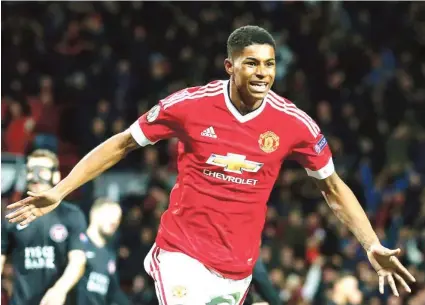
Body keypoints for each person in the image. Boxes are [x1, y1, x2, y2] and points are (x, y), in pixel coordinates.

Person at [6, 25, 416, 304]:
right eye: (252, 63)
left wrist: (371, 244)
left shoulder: (294, 124)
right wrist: (61, 191)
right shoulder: (188, 107)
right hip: (182, 252)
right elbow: (121, 145)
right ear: (230, 65)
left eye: (269, 64)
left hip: (238, 269)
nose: (262, 73)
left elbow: (333, 187)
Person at [1, 149, 87, 305]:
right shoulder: (13, 216)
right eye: (30, 171)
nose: (35, 177)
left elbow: (78, 261)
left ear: (56, 176)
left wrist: (60, 289)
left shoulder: (71, 214)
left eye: (41, 170)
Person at [76, 198, 131, 305]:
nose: (115, 221)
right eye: (110, 214)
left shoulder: (109, 254)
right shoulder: (76, 244)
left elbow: (114, 292)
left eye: (118, 218)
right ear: (94, 213)